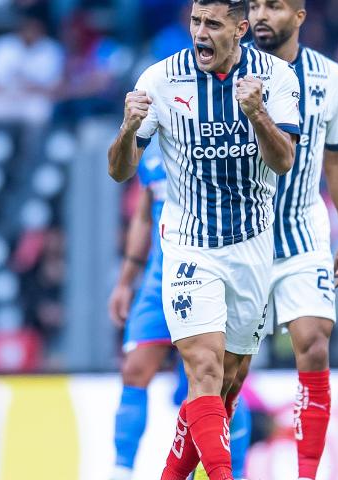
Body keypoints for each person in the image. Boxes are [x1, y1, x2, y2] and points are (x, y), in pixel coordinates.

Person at [108, 0, 300, 477]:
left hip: (252, 247)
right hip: (188, 248)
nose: (199, 33)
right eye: (195, 21)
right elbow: (120, 172)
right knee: (204, 371)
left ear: (240, 29)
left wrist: (257, 115)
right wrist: (129, 128)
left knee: (226, 385)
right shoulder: (159, 80)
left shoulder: (276, 78)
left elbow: (284, 162)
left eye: (212, 24)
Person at [232, 1, 338, 479]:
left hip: (303, 234)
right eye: (257, 5)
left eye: (275, 5)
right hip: (239, 239)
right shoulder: (226, 72)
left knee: (315, 344)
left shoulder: (331, 78)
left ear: (300, 15)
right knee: (227, 373)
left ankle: (306, 474)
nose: (263, 14)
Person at [108, 138, 251, 480]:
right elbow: (144, 216)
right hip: (159, 276)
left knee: (220, 380)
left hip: (205, 272)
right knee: (135, 369)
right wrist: (126, 281)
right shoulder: (151, 147)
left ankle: (237, 470)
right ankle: (121, 470)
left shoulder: (215, 134)